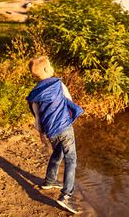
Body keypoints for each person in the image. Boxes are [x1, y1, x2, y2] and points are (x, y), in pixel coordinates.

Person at [26, 56, 84, 214]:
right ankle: (66, 196)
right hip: (64, 128)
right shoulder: (58, 84)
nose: (52, 67)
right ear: (46, 70)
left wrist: (41, 132)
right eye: (50, 65)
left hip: (50, 131)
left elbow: (37, 116)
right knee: (71, 160)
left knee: (57, 152)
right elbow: (69, 100)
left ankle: (50, 180)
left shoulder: (35, 94)